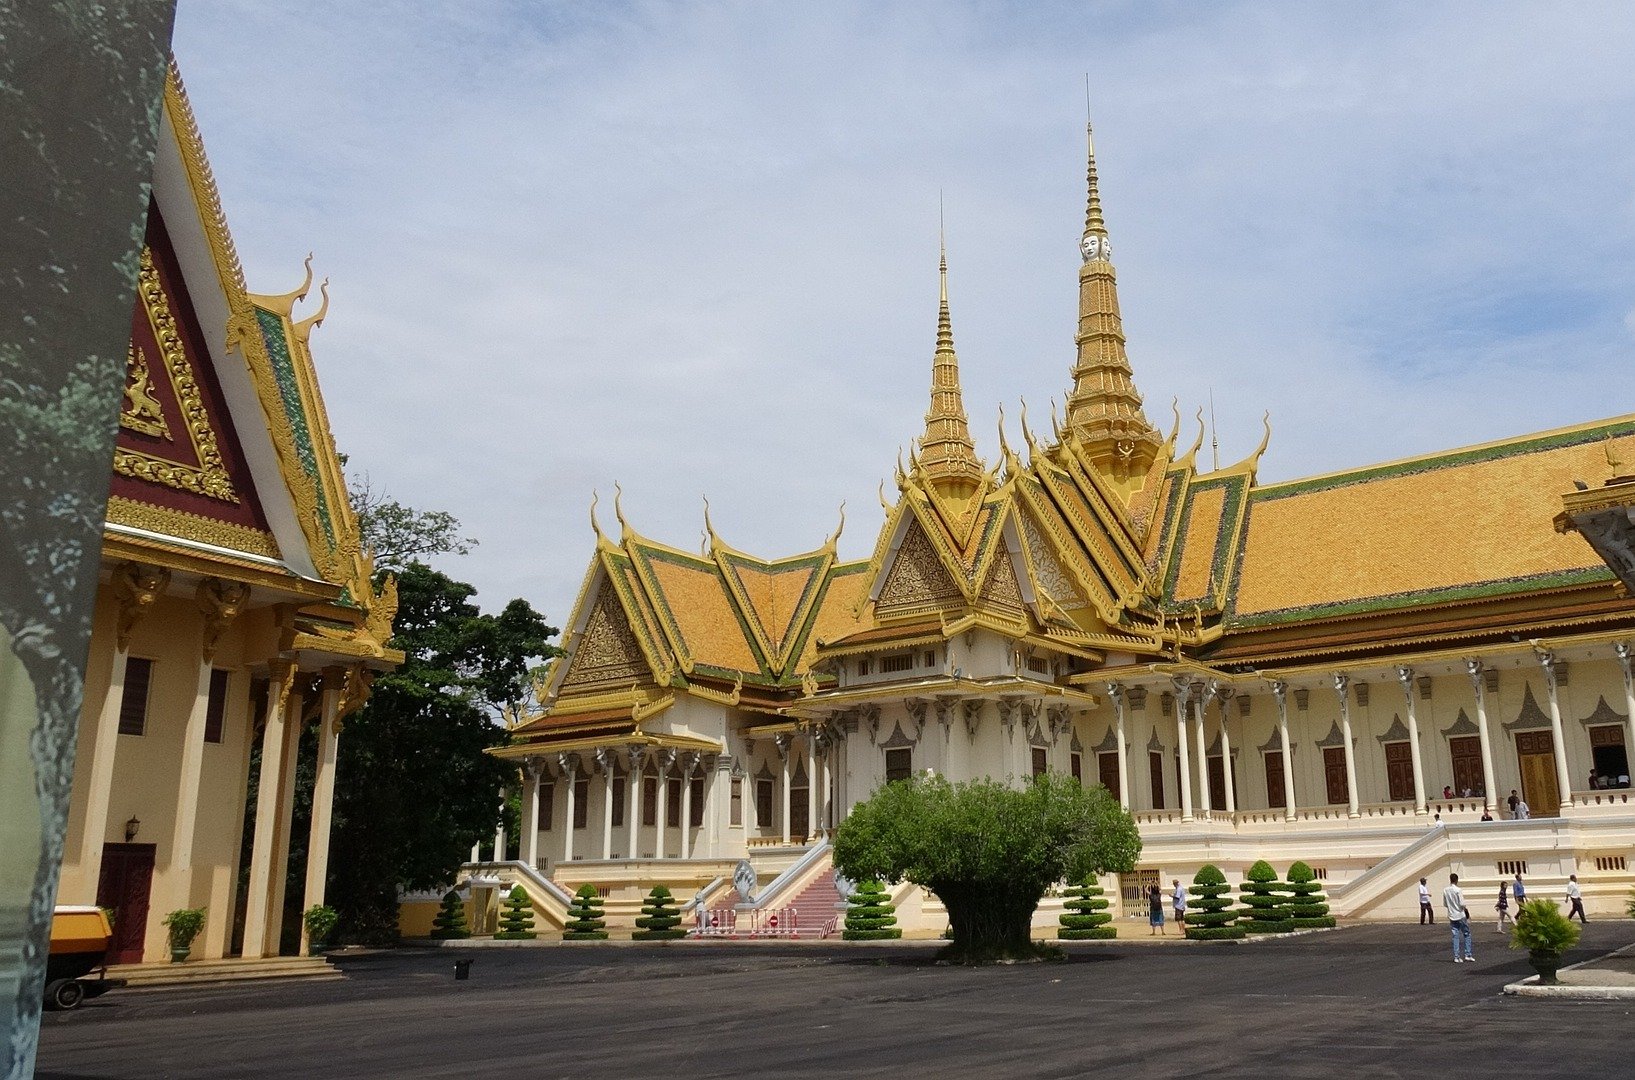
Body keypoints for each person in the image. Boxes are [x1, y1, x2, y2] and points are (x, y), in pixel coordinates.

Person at [1444, 873, 1475, 963]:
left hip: (1451, 915)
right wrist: (1465, 909)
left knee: (1455, 936)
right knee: (1466, 934)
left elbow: (1445, 904)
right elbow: (1462, 903)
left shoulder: (1446, 890)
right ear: (1457, 880)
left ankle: (1456, 956)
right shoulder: (1458, 890)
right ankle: (1468, 954)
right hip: (1460, 914)